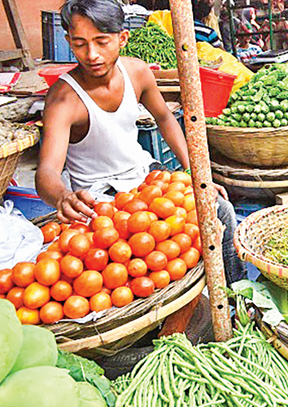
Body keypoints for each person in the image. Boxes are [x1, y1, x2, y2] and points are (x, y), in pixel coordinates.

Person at [40, 0, 243, 285]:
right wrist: (62, 197)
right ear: (68, 42)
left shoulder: (137, 73)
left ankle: (236, 293)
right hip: (102, 199)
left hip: (145, 178)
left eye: (102, 42)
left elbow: (165, 118)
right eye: (80, 44)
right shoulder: (64, 100)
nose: (92, 54)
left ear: (122, 38)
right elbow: (47, 170)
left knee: (219, 208)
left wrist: (197, 173)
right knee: (135, 260)